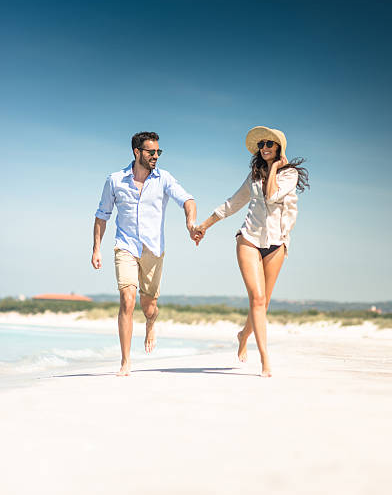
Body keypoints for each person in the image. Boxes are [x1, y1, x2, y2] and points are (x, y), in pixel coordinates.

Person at [194, 126, 309, 377]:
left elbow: (271, 198)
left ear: (278, 148)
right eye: (261, 145)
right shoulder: (254, 176)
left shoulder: (289, 176)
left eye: (270, 144)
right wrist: (204, 225)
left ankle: (243, 335)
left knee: (263, 303)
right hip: (249, 239)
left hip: (277, 242)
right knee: (256, 299)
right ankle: (265, 360)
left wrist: (276, 169)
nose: (265, 148)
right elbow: (233, 203)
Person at [91, 131, 197, 376]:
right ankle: (125, 361)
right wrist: (96, 248)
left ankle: (150, 323)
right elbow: (102, 215)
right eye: (151, 152)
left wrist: (190, 222)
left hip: (153, 249)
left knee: (148, 306)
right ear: (137, 152)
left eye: (159, 152)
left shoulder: (164, 179)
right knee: (127, 300)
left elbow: (188, 200)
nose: (156, 156)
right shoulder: (115, 180)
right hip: (125, 246)